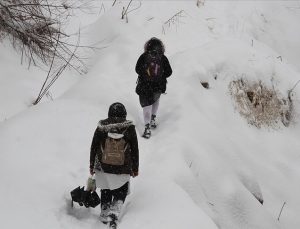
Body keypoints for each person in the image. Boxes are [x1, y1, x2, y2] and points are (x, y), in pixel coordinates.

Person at [89, 102, 139, 228]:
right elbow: (135, 149)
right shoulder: (129, 128)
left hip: (103, 166)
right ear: (125, 114)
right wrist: (135, 168)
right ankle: (115, 209)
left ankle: (105, 210)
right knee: (121, 188)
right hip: (123, 167)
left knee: (106, 187)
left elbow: (94, 146)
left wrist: (91, 165)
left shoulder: (102, 127)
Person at [135, 37, 172, 139]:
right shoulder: (163, 58)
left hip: (144, 86)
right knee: (155, 100)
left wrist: (145, 75)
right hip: (158, 86)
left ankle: (147, 127)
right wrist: (161, 76)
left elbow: (137, 69)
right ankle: (153, 119)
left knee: (146, 105)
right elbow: (169, 72)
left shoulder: (144, 56)